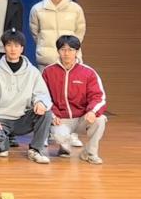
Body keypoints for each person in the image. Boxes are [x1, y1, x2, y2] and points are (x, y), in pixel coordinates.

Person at [0, 28, 53, 164]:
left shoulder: (32, 72)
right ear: (4, 47)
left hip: (23, 119)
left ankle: (35, 150)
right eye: (9, 45)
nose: (13, 49)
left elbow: (43, 94)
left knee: (46, 113)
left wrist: (40, 102)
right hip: (1, 120)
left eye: (16, 45)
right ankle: (3, 145)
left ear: (22, 48)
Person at [42, 35, 107, 164]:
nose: (66, 53)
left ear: (77, 51)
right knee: (60, 136)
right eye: (63, 49)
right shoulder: (48, 71)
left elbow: (98, 97)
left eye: (71, 50)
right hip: (61, 118)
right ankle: (64, 148)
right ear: (58, 51)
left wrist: (92, 111)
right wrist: (53, 114)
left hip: (82, 118)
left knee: (100, 120)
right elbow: (43, 96)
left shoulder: (88, 72)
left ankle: (89, 153)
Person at [30, 0, 87, 70]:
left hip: (71, 59)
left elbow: (80, 32)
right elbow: (35, 33)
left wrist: (70, 48)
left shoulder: (76, 9)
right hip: (46, 59)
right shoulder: (37, 9)